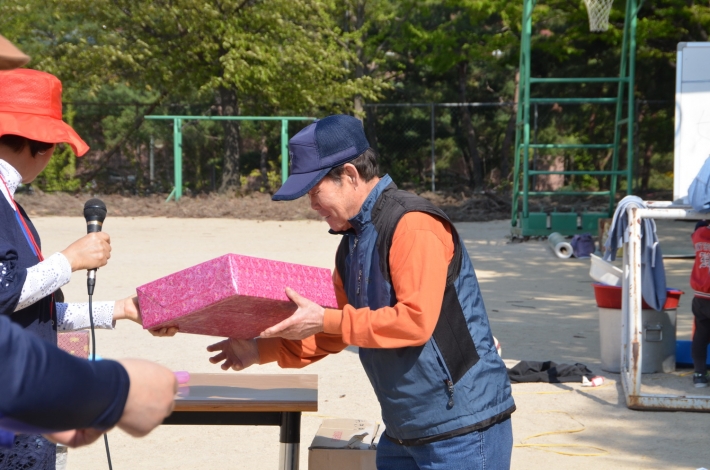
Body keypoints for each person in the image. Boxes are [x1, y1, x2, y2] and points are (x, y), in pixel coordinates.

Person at [207, 114, 515, 469]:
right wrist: (259, 350)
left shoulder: (413, 225)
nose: (311, 204)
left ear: (350, 175)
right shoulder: (351, 244)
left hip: (462, 429)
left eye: (314, 191)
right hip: (404, 430)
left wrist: (325, 319)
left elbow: (414, 322)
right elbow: (334, 329)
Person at [0, 51, 164, 469]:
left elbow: (34, 314)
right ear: (43, 146)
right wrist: (68, 260)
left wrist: (120, 310)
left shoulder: (10, 201)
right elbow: (4, 292)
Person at [690, 220, 710, 387]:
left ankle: (699, 374)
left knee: (701, 336)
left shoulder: (699, 234)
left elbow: (698, 228)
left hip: (700, 296)